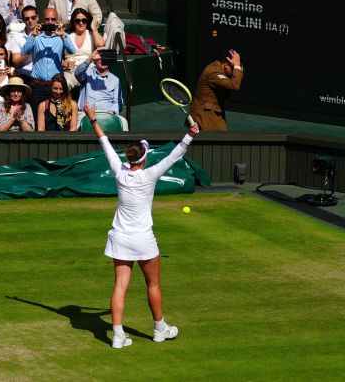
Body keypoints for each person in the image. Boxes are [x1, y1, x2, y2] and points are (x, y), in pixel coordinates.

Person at [86, 100, 198, 349]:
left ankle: (117, 336)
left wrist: (92, 118)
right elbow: (175, 154)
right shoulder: (151, 174)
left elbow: (104, 143)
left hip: (120, 237)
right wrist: (190, 135)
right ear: (145, 159)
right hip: (143, 239)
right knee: (153, 283)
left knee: (120, 286)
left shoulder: (119, 170)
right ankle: (160, 329)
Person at [189, 48, 242, 131]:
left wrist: (237, 66)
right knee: (217, 139)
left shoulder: (219, 67)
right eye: (234, 67)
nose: (235, 70)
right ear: (226, 66)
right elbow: (235, 85)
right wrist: (237, 66)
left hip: (213, 110)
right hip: (205, 113)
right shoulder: (214, 73)